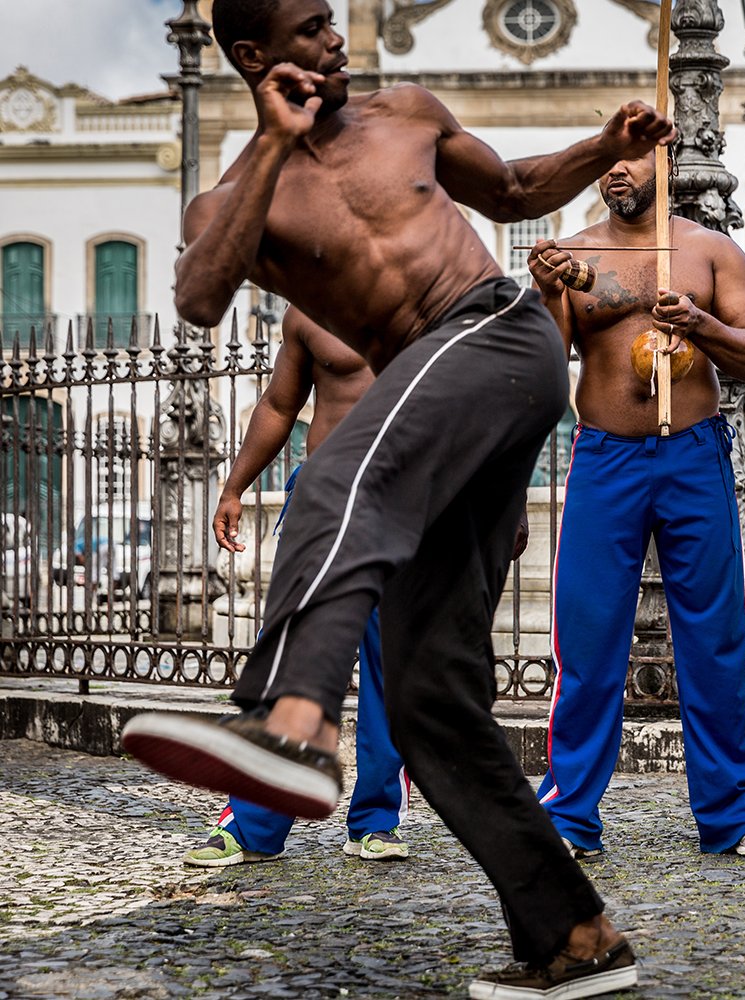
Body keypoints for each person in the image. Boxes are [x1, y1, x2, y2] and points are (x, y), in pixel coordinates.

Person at [118, 2, 674, 996]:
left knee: (336, 477)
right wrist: (271, 143)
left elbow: (507, 191)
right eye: (306, 28)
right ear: (254, 56)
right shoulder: (239, 196)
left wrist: (603, 146)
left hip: (498, 331)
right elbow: (201, 296)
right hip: (443, 399)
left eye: (333, 22)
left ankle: (293, 719)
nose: (332, 40)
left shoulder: (406, 111)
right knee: (426, 697)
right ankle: (573, 935)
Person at [525, 153, 745, 860]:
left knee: (714, 635)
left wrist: (700, 323)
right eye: (606, 159)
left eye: (631, 159)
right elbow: (550, 371)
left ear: (663, 165)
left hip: (693, 453)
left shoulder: (709, 252)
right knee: (585, 636)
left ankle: (731, 813)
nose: (615, 171)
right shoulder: (576, 252)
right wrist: (548, 297)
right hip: (604, 454)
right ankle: (571, 813)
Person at [184, 306, 411, 867]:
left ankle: (376, 820)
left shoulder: (431, 298)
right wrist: (235, 487)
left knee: (394, 664)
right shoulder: (310, 307)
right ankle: (253, 821)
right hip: (323, 496)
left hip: (403, 497)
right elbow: (281, 404)